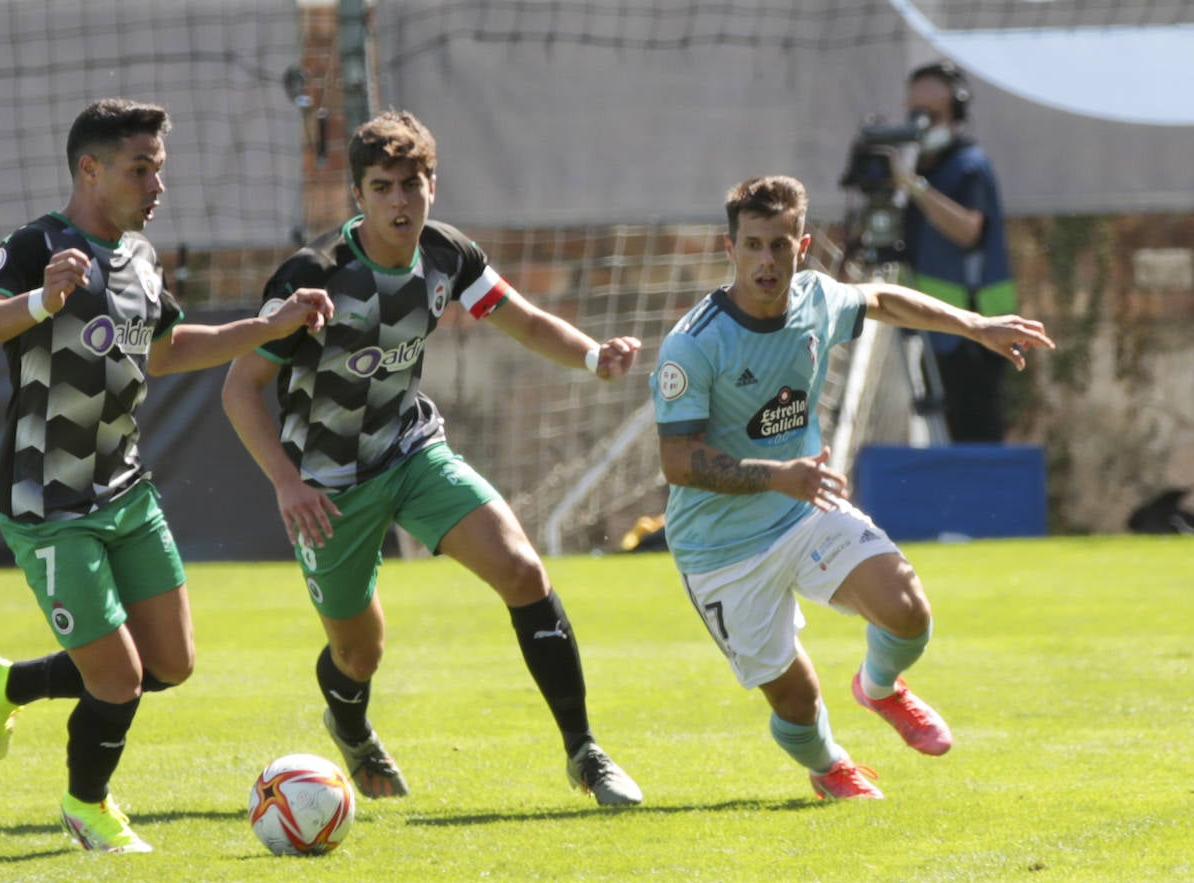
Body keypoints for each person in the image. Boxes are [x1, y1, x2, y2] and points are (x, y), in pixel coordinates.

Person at [222, 108, 643, 807]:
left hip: (413, 452)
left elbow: (526, 319)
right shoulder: (316, 275)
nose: (400, 201)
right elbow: (241, 389)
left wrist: (594, 356)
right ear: (358, 195)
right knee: (360, 655)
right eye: (383, 186)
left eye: (412, 184)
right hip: (328, 489)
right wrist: (287, 482)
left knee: (522, 569)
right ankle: (351, 729)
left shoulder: (448, 254)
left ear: (432, 187)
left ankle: (586, 754)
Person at [0, 98, 334, 852]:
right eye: (141, 169)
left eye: (159, 169)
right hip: (49, 502)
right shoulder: (39, 244)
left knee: (171, 664)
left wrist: (269, 325)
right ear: (90, 170)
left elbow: (164, 349)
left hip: (125, 489)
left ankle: (6, 685)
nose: (156, 185)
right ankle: (87, 808)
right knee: (118, 681)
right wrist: (40, 299)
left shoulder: (140, 258)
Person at [650, 175, 1052, 799]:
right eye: (752, 245)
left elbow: (883, 299)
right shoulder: (693, 345)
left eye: (779, 246)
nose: (766, 261)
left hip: (803, 510)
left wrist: (975, 325)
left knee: (908, 610)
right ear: (728, 248)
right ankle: (829, 763)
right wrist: (777, 475)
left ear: (802, 246)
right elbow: (677, 462)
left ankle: (881, 687)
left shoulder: (816, 300)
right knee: (796, 703)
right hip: (720, 550)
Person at [895, 60, 1019, 443]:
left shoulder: (969, 166)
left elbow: (968, 230)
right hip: (937, 328)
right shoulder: (925, 167)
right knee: (945, 432)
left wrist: (913, 186)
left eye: (931, 115)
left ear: (956, 114)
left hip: (975, 329)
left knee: (976, 433)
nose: (922, 124)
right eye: (915, 114)